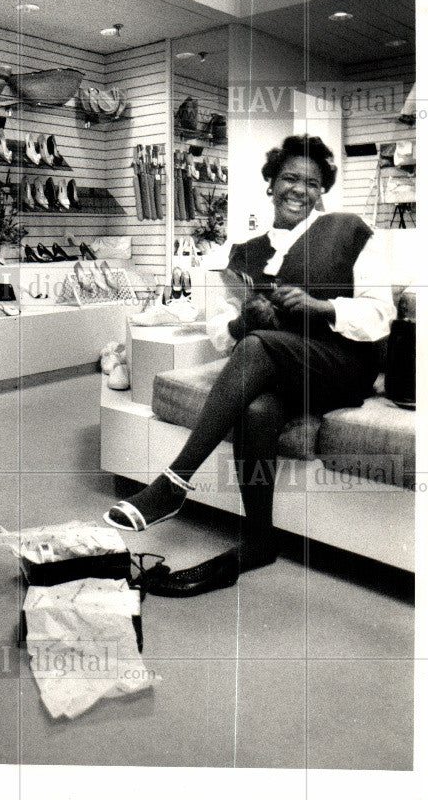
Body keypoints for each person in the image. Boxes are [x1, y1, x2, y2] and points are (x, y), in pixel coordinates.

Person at [105, 134, 395, 596]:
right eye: (290, 179)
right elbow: (221, 334)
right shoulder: (242, 253)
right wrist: (243, 321)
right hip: (282, 371)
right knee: (257, 409)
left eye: (312, 182)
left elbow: (381, 316)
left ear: (323, 192)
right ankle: (260, 538)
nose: (300, 189)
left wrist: (321, 309)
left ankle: (175, 481)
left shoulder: (351, 230)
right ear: (271, 185)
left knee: (262, 346)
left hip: (341, 366)